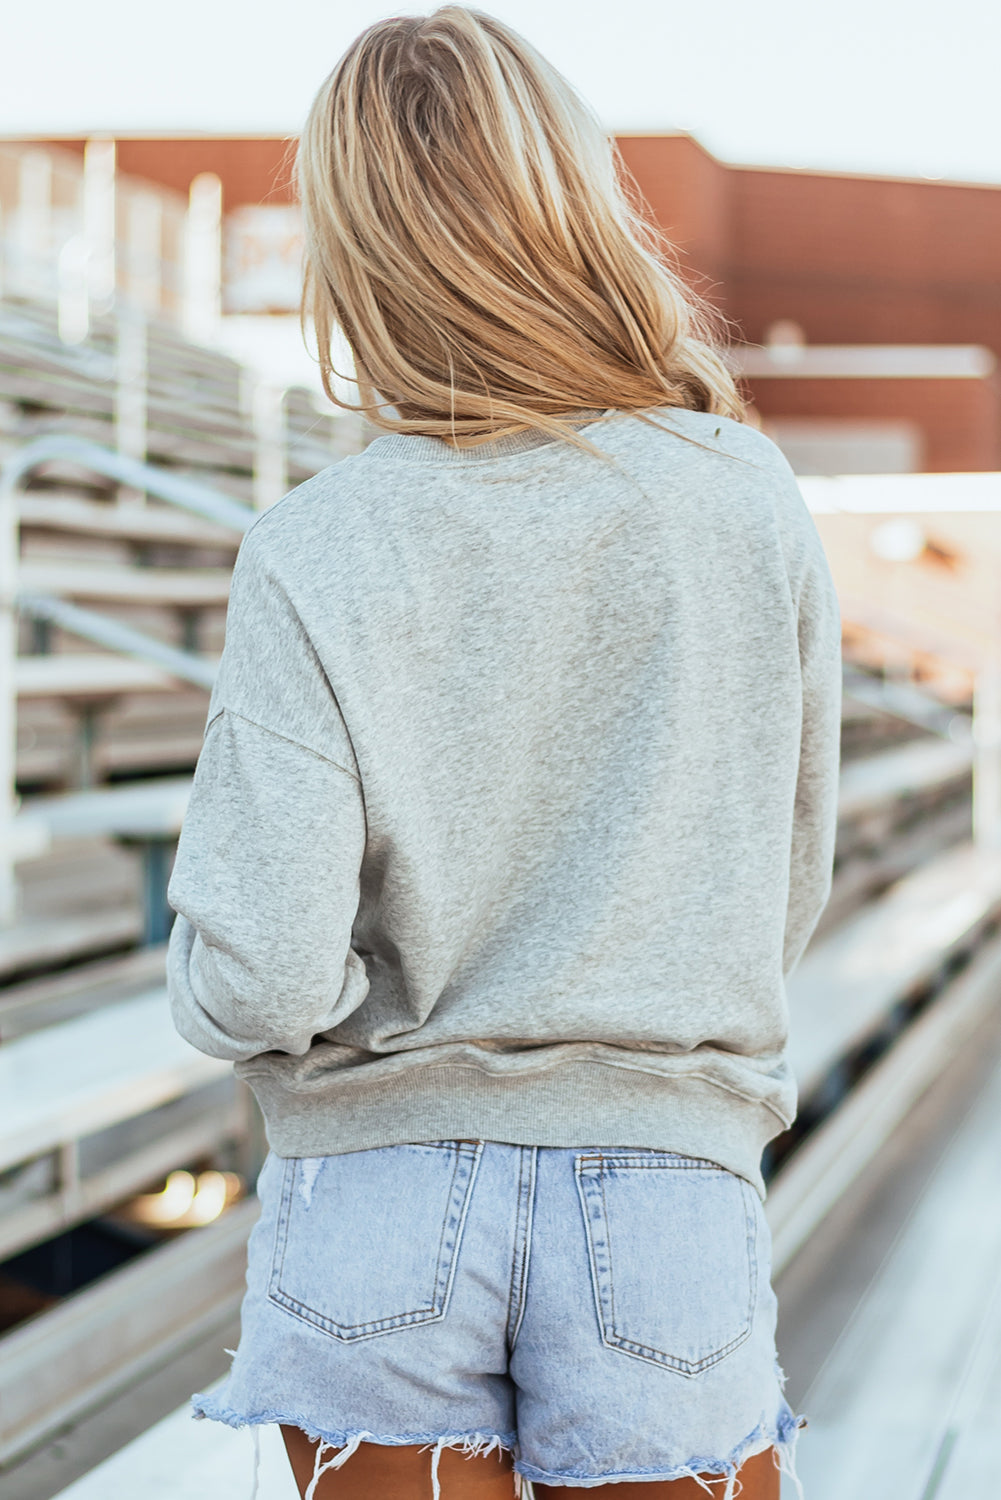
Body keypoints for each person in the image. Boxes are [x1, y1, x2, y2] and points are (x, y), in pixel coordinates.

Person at [165, 8, 842, 1499]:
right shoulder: (740, 498)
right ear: (573, 206)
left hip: (374, 1190)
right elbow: (780, 877)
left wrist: (363, 1008)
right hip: (663, 1181)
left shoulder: (311, 548)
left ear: (358, 248)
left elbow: (257, 980)